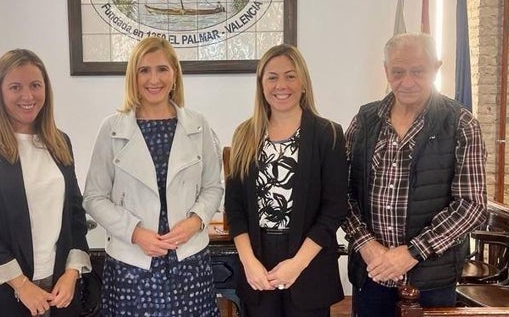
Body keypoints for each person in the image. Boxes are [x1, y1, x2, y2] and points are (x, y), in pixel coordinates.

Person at [343, 32, 487, 317]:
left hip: (431, 278)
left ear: (436, 68)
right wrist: (366, 245)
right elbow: (340, 191)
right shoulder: (365, 120)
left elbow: (471, 205)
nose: (407, 81)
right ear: (386, 71)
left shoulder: (461, 123)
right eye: (398, 71)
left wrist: (410, 253)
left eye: (418, 71)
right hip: (371, 272)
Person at [83, 37, 223, 316]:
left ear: (174, 75)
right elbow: (93, 197)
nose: (153, 79)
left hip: (189, 263)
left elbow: (213, 187)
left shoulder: (198, 125)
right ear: (133, 77)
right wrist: (135, 232)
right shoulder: (111, 129)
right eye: (143, 70)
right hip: (131, 266)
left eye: (162, 69)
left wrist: (195, 221)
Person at [0, 49, 91, 317]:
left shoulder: (60, 142)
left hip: (57, 287)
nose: (28, 96)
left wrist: (71, 273)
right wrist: (22, 285)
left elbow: (75, 214)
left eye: (35, 85)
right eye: (16, 87)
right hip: (2, 290)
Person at [224, 44, 348, 317]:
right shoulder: (245, 135)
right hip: (257, 263)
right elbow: (234, 209)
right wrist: (249, 263)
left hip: (309, 263)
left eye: (291, 76)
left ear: (303, 83)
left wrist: (297, 264)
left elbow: (334, 210)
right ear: (261, 84)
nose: (282, 84)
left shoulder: (329, 134)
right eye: (272, 77)